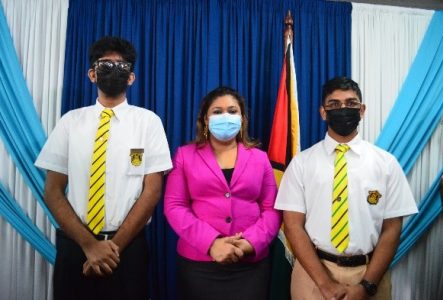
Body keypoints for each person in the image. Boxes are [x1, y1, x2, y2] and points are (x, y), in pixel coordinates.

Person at [35, 36, 172, 300]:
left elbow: (152, 191)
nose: (113, 70)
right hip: (75, 245)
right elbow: (52, 190)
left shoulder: (148, 122)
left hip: (127, 248)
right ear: (92, 74)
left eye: (121, 66)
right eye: (105, 64)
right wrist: (89, 245)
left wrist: (111, 248)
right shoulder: (69, 122)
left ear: (131, 77)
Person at [274, 77, 418, 300]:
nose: (343, 109)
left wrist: (366, 286)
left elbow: (392, 229)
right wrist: (325, 284)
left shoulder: (386, 164)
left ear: (362, 110)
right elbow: (293, 226)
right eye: (334, 104)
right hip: (312, 273)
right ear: (323, 112)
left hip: (370, 274)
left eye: (351, 104)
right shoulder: (302, 164)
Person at [164, 86, 281, 300]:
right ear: (205, 120)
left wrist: (250, 243)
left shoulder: (260, 158)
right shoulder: (184, 155)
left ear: (242, 118)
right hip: (199, 263)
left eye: (232, 111)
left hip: (250, 265)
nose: (225, 116)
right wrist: (211, 243)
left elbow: (271, 209)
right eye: (217, 112)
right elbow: (174, 207)